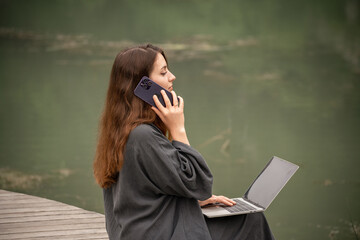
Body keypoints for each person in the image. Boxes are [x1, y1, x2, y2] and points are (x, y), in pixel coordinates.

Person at [93, 44, 275, 240]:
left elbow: (140, 195)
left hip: (143, 231)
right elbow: (200, 184)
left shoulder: (120, 130)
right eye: (163, 73)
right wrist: (178, 129)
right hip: (159, 234)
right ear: (142, 85)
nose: (172, 76)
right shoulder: (143, 135)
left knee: (247, 219)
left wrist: (191, 204)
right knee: (252, 221)